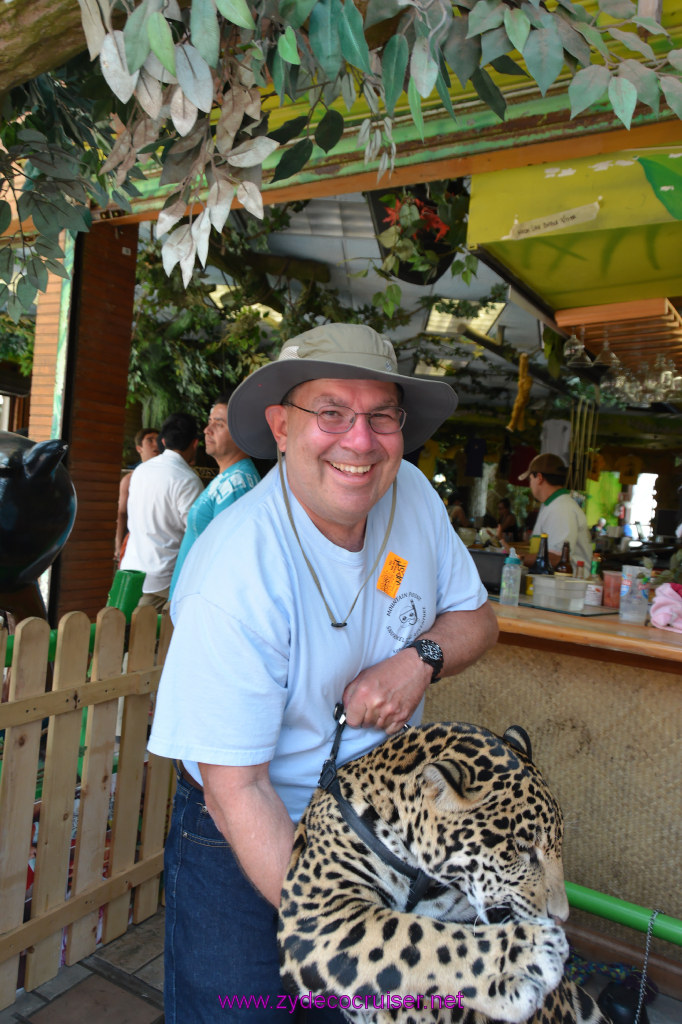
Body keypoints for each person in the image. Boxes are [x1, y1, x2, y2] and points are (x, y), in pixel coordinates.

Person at [148, 323, 499, 1024]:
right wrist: (358, 938)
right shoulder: (235, 574)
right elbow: (236, 788)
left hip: (376, 823)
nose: (360, 441)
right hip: (242, 828)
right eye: (331, 412)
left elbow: (478, 619)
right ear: (280, 427)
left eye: (380, 416)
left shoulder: (415, 500)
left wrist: (417, 661)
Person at [169, 390, 260, 596]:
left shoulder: (236, 484)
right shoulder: (228, 478)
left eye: (219, 424)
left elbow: (227, 560)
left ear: (242, 433)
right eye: (210, 422)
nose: (207, 430)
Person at [120, 412, 203, 610]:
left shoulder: (141, 471)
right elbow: (196, 534)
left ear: (163, 441)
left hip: (129, 572)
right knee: (150, 638)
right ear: (195, 444)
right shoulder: (188, 481)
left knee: (119, 634)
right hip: (161, 582)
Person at [518, 452, 592, 569]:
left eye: (530, 479)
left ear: (539, 478)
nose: (530, 484)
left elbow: (555, 558)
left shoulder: (562, 508)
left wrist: (517, 559)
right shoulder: (552, 505)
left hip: (568, 585)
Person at [114, 427, 159, 565]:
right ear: (139, 448)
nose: (155, 444)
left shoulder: (168, 477)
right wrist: (118, 545)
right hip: (135, 543)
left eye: (158, 440)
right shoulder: (130, 479)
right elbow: (122, 514)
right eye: (150, 440)